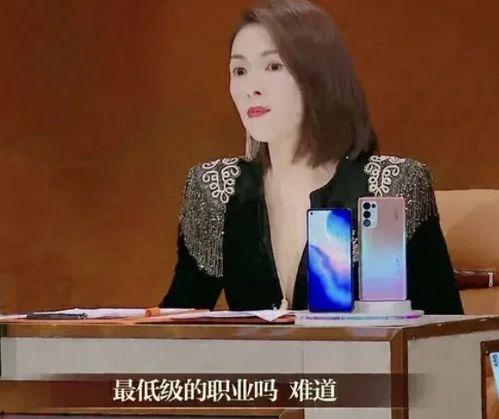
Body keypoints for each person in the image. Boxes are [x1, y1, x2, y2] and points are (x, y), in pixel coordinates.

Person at [159, 0, 463, 314]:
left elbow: (447, 330)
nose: (251, 88)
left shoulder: (390, 186)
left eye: (273, 66)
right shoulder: (216, 189)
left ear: (318, 75)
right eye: (240, 71)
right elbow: (176, 322)